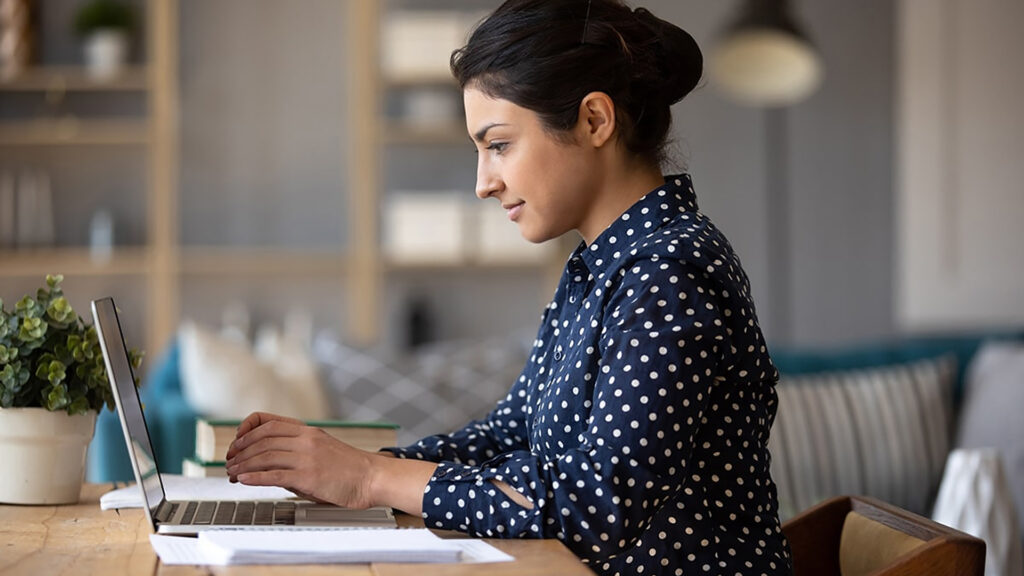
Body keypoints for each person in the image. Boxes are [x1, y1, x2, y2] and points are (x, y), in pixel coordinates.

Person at [225, 1, 793, 574]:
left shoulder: (669, 272)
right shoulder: (602, 268)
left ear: (595, 121)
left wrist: (373, 478)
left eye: (498, 145)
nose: (483, 183)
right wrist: (351, 467)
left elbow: (597, 504)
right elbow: (511, 432)